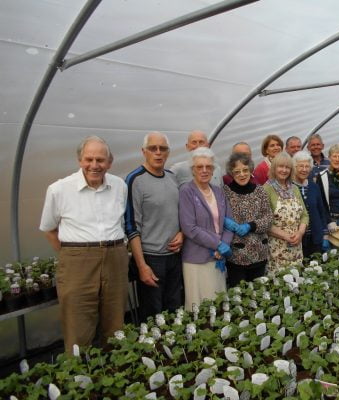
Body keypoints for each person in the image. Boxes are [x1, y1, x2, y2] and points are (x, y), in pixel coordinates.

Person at [39, 136, 128, 353]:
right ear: (80, 160)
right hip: (77, 261)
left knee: (115, 324)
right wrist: (74, 255)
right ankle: (79, 379)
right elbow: (49, 229)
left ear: (109, 162)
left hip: (115, 256)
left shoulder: (119, 186)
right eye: (89, 159)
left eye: (101, 160)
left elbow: (121, 222)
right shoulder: (59, 189)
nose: (95, 165)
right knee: (78, 326)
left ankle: (115, 372)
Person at [124, 132, 183, 322]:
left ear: (168, 152)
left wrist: (182, 234)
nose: (158, 153)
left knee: (174, 310)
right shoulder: (135, 180)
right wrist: (142, 266)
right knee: (153, 317)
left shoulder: (172, 178)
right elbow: (132, 226)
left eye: (163, 149)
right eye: (153, 148)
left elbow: (180, 213)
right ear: (144, 151)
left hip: (174, 256)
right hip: (151, 258)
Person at [178, 147, 233, 311]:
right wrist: (218, 244)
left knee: (218, 303)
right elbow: (189, 227)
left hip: (218, 258)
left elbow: (228, 222)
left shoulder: (218, 191)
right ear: (192, 170)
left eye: (208, 167)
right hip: (196, 259)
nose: (204, 170)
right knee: (200, 306)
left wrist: (225, 245)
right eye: (199, 167)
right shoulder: (186, 191)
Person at [222, 153, 272, 287]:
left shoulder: (260, 191)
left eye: (245, 170)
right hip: (236, 256)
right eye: (237, 172)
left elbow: (268, 218)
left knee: (258, 295)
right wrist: (226, 222)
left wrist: (251, 225)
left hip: (259, 253)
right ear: (231, 174)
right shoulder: (225, 193)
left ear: (250, 170)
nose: (242, 174)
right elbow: (219, 216)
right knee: (239, 296)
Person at [263, 152, 309, 273]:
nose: (284, 170)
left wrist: (300, 232)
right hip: (277, 248)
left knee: (296, 280)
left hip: (296, 246)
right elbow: (265, 222)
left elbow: (304, 215)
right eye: (281, 166)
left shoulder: (294, 188)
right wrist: (285, 236)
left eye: (287, 167)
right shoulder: (266, 189)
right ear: (274, 168)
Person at [292, 151, 330, 257]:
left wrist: (325, 235)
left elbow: (321, 211)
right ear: (294, 167)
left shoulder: (314, 186)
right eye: (301, 166)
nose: (304, 169)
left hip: (315, 237)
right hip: (297, 238)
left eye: (307, 166)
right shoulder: (289, 187)